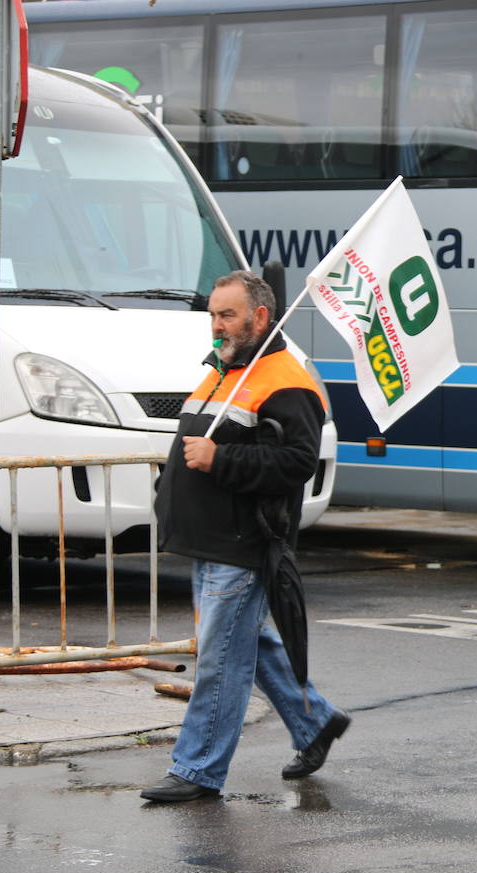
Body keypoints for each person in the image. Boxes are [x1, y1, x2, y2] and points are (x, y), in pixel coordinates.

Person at [140, 271, 350, 803]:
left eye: (226, 315)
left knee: (220, 660)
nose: (216, 326)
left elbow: (298, 462)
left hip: (243, 543)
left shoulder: (287, 380)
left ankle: (198, 770)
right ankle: (314, 721)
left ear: (260, 317)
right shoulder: (223, 368)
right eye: (213, 314)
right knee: (243, 645)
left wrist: (220, 458)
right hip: (208, 539)